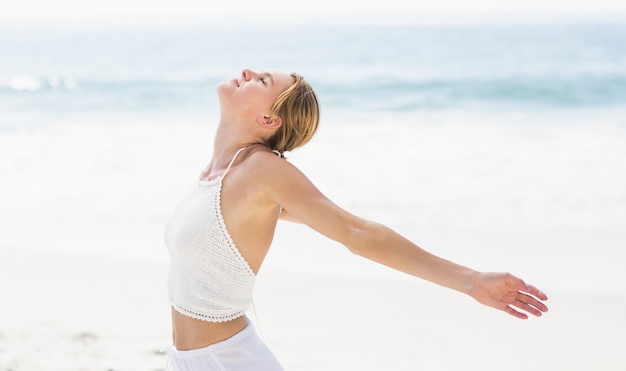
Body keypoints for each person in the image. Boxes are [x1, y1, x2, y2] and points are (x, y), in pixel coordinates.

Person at [163, 68, 549, 371]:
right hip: (186, 360)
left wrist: (471, 281)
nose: (246, 72)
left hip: (230, 363)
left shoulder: (263, 171)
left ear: (269, 119)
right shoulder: (220, 174)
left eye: (262, 80)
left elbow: (356, 232)